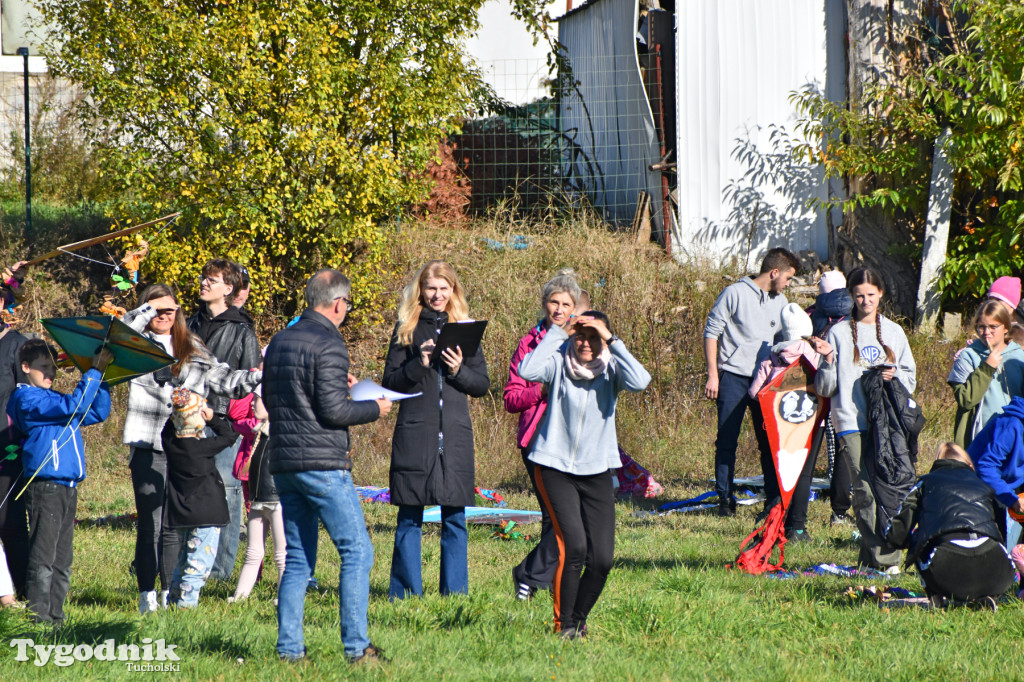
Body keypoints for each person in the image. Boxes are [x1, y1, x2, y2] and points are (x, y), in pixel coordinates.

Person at [263, 269, 391, 664]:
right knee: (357, 552)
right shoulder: (330, 343)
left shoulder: (281, 340)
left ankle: (290, 650)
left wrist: (342, 387)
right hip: (322, 463)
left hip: (284, 461)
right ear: (338, 303)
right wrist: (375, 407)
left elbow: (276, 395)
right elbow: (334, 411)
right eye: (347, 305)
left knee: (299, 558)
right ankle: (356, 647)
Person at [123, 284, 262, 613]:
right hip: (148, 443)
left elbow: (225, 379)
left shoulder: (191, 345)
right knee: (152, 522)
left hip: (186, 447)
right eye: (158, 310)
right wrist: (150, 308)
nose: (165, 316)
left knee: (175, 524)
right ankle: (147, 596)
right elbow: (118, 331)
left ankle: (172, 596)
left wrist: (259, 377)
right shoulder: (135, 344)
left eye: (171, 310)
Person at [519, 311, 650, 638]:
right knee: (573, 547)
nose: (585, 343)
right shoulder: (558, 364)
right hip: (553, 467)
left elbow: (641, 380)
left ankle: (577, 619)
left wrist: (611, 338)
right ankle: (565, 626)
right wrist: (559, 332)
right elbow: (527, 369)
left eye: (592, 336)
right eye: (580, 335)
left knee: (602, 559)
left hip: (597, 471)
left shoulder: (612, 371)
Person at [382, 260, 490, 599]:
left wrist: (458, 370)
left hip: (455, 436)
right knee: (410, 516)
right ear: (421, 291)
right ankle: (404, 595)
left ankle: (454, 595)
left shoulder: (466, 329)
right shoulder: (406, 329)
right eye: (431, 288)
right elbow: (391, 384)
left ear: (453, 290)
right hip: (415, 434)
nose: (438, 294)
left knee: (455, 518)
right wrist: (420, 363)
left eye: (444, 288)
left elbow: (482, 385)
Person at [811, 267, 917, 571]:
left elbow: (910, 378)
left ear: (880, 294)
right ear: (851, 297)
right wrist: (829, 361)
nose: (866, 300)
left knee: (888, 489)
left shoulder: (895, 333)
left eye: (871, 294)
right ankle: (886, 561)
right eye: (859, 295)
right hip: (850, 421)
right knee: (865, 491)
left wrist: (893, 375)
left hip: (887, 423)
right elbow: (825, 388)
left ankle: (870, 558)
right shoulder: (838, 332)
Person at [8, 340, 112, 624]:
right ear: (25, 368)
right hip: (46, 486)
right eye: (43, 367)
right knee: (44, 556)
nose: (50, 373)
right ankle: (39, 617)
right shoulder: (26, 398)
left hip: (68, 485)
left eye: (53, 368)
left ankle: (56, 616)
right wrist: (92, 372)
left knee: (62, 560)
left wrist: (102, 380)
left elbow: (95, 412)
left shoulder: (53, 400)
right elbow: (75, 404)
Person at [704, 247, 801, 517]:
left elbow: (787, 342)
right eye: (788, 278)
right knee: (727, 440)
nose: (788, 284)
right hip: (733, 377)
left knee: (769, 441)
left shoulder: (781, 303)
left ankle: (773, 499)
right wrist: (714, 374)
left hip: (766, 382)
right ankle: (725, 499)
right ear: (774, 272)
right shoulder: (734, 293)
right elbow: (711, 333)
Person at [504, 269, 582, 600]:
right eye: (554, 301)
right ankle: (531, 576)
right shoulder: (528, 344)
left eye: (566, 303)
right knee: (561, 520)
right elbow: (511, 398)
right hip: (537, 441)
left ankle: (536, 578)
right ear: (544, 304)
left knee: (561, 520)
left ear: (574, 308)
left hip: (575, 439)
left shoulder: (583, 341)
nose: (559, 309)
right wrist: (543, 391)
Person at [187, 259, 261, 582]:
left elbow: (251, 381)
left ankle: (219, 573)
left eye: (212, 280)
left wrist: (233, 426)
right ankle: (188, 565)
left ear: (228, 289)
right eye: (203, 277)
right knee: (188, 492)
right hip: (186, 421)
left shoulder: (242, 330)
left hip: (223, 425)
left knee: (227, 495)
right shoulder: (188, 325)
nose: (204, 283)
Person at [885, 443, 1013, 609]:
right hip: (997, 570)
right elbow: (1001, 533)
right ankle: (989, 595)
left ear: (937, 463)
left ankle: (936, 597)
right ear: (969, 465)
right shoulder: (985, 486)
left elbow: (897, 532)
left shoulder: (925, 483)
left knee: (920, 536)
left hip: (946, 569)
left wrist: (906, 540)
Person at [747, 303, 820, 542]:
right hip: (811, 423)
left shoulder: (771, 358)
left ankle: (774, 518)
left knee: (781, 472)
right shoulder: (816, 355)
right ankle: (797, 527)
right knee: (804, 473)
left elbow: (755, 393)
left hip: (779, 425)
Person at [162, 389, 239, 608]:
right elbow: (229, 436)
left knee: (183, 559)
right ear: (198, 419)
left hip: (181, 514)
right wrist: (213, 418)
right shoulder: (203, 447)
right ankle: (186, 605)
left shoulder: (171, 444)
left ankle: (173, 600)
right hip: (207, 514)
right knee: (198, 563)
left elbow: (167, 430)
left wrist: (180, 407)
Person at [806, 270, 854, 526]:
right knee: (842, 453)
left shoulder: (811, 313)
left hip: (813, 387)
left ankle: (796, 505)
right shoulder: (855, 314)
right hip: (844, 389)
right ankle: (839, 511)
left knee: (809, 450)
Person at [229, 386, 285, 603]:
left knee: (282, 554)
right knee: (253, 552)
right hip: (259, 500)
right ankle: (240, 596)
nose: (252, 404)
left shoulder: (280, 433)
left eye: (258, 400)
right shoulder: (258, 431)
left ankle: (284, 597)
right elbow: (238, 419)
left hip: (278, 502)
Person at [948, 300, 1024, 449]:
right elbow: (965, 400)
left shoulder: (1018, 356)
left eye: (993, 327)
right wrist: (987, 368)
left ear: (1006, 327)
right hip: (980, 439)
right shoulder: (968, 356)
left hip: (1014, 438)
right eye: (981, 327)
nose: (986, 332)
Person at [0, 261, 29, 597]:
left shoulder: (17, 344)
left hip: (7, 446)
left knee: (8, 520)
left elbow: (29, 398)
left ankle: (21, 589)